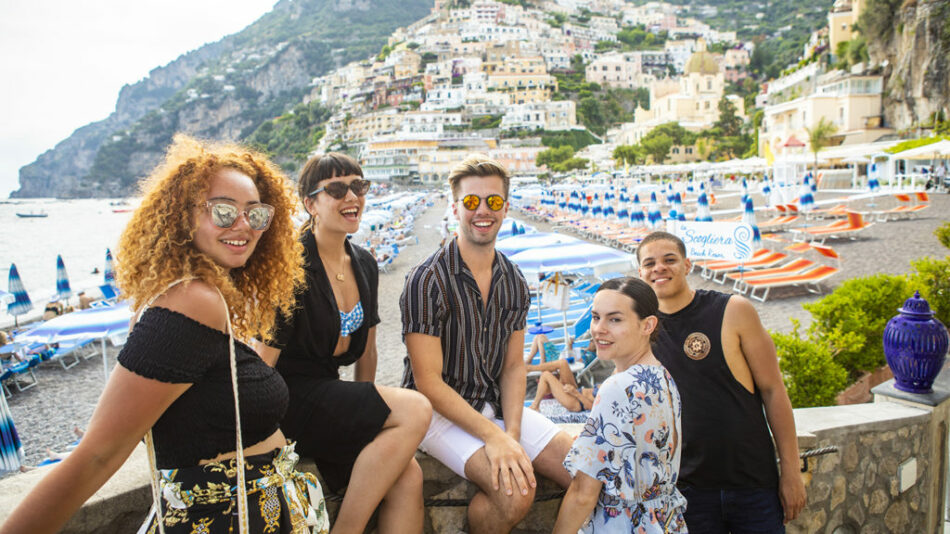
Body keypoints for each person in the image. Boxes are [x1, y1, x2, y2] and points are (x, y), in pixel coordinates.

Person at [2, 135, 329, 534]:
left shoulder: (200, 297)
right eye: (223, 211)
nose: (244, 225)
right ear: (182, 215)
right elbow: (97, 456)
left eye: (256, 213)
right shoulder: (193, 300)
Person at [255, 153, 431, 534]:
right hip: (289, 400)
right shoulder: (291, 266)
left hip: (329, 397)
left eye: (359, 186)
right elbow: (262, 359)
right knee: (416, 408)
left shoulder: (364, 263)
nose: (352, 196)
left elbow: (367, 353)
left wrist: (366, 417)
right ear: (310, 203)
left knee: (408, 475)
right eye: (336, 189)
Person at [400, 154, 573, 534]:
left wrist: (509, 435)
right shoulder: (427, 280)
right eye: (471, 201)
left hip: (493, 405)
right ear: (455, 206)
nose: (483, 210)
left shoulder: (513, 279)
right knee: (514, 494)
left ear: (506, 207)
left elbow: (513, 367)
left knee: (582, 469)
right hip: (436, 415)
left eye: (493, 202)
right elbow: (428, 382)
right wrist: (493, 436)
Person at [637, 231, 807, 533]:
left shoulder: (732, 310)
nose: (659, 268)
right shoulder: (642, 334)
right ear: (640, 274)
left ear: (688, 265)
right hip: (687, 492)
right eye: (649, 263)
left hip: (753, 483)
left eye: (669, 260)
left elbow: (773, 390)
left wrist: (791, 473)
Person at [554, 277, 686, 533]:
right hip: (664, 522)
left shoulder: (618, 388)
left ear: (648, 325)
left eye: (615, 319)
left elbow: (583, 492)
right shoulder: (662, 377)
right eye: (595, 317)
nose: (599, 329)